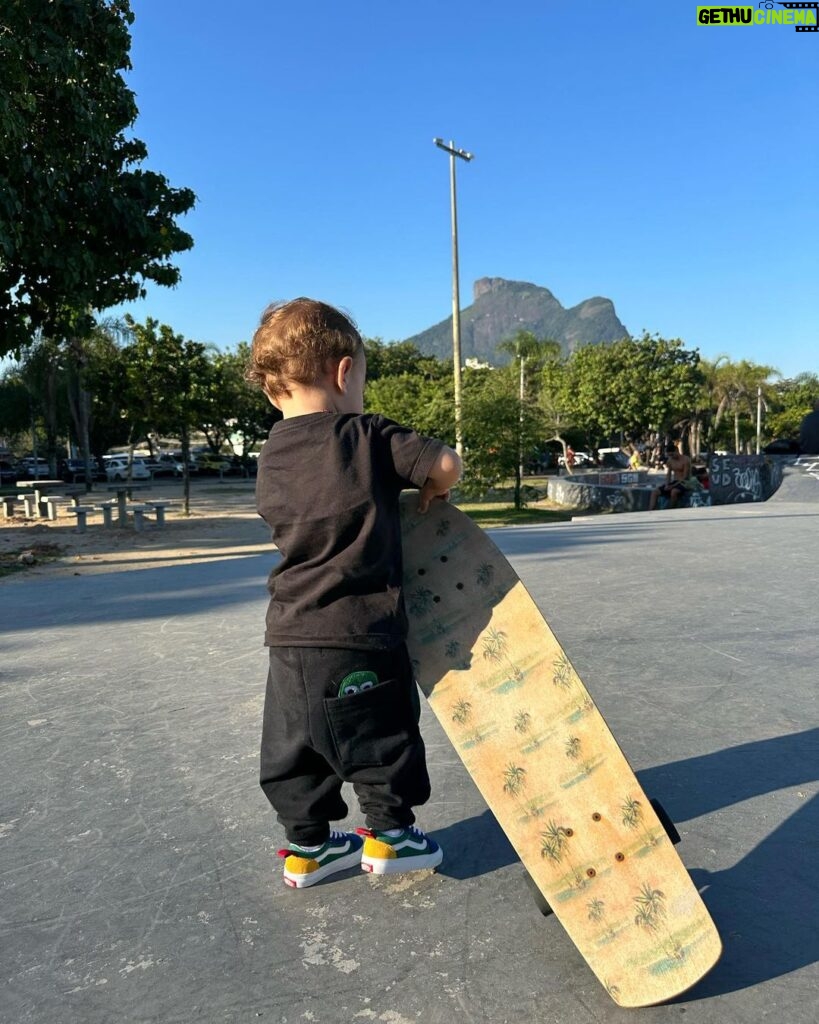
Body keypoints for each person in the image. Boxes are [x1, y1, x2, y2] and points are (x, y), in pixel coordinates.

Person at [246, 298, 462, 889]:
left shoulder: (271, 455)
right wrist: (433, 488)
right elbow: (445, 463)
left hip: (289, 632)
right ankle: (391, 837)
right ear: (345, 373)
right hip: (362, 629)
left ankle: (307, 848)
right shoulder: (367, 436)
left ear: (273, 393)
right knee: (381, 731)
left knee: (296, 745)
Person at [648, 443, 693, 510]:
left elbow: (685, 477)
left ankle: (670, 509)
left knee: (674, 491)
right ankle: (650, 510)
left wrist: (672, 486)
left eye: (672, 454)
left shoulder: (686, 460)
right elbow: (668, 475)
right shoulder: (670, 461)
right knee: (655, 492)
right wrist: (667, 485)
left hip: (684, 483)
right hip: (675, 482)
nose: (672, 457)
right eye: (669, 455)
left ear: (676, 451)